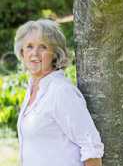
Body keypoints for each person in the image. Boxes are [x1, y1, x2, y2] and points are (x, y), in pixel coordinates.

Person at [14, 19, 104, 166]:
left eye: (42, 47)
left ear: (55, 54)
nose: (34, 53)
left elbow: (91, 146)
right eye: (29, 46)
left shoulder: (61, 91)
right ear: (22, 52)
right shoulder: (32, 88)